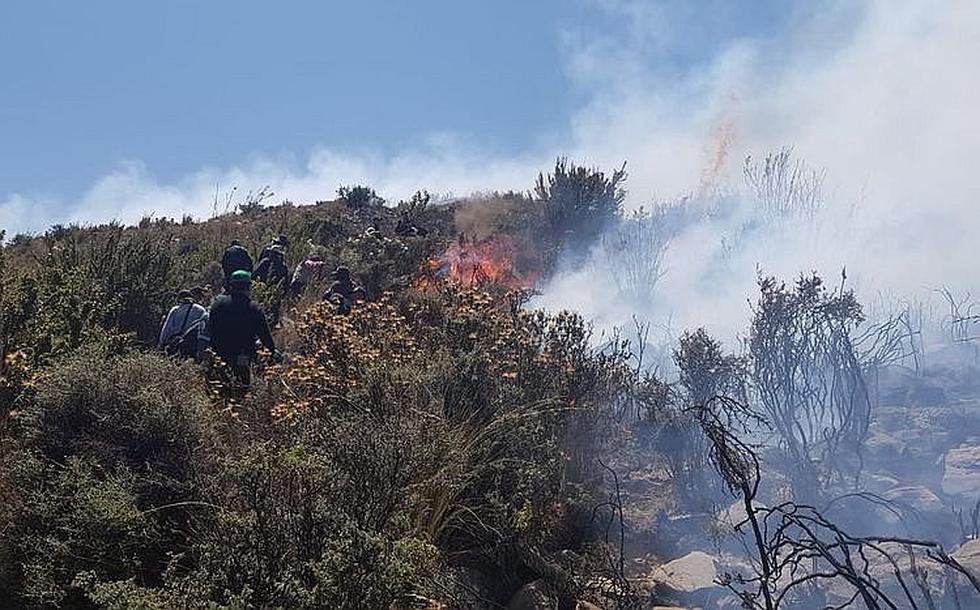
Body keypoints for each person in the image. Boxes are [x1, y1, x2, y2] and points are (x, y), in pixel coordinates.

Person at [208, 270, 283, 385]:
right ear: (248, 287)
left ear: (231, 286)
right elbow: (265, 336)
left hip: (219, 354)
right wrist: (272, 351)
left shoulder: (217, 305)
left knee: (219, 384)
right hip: (242, 356)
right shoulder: (253, 308)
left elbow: (211, 330)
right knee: (242, 385)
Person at [159, 289, 207, 354]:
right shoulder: (201, 310)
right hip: (193, 344)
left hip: (176, 344)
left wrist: (162, 343)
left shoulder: (175, 310)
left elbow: (167, 328)